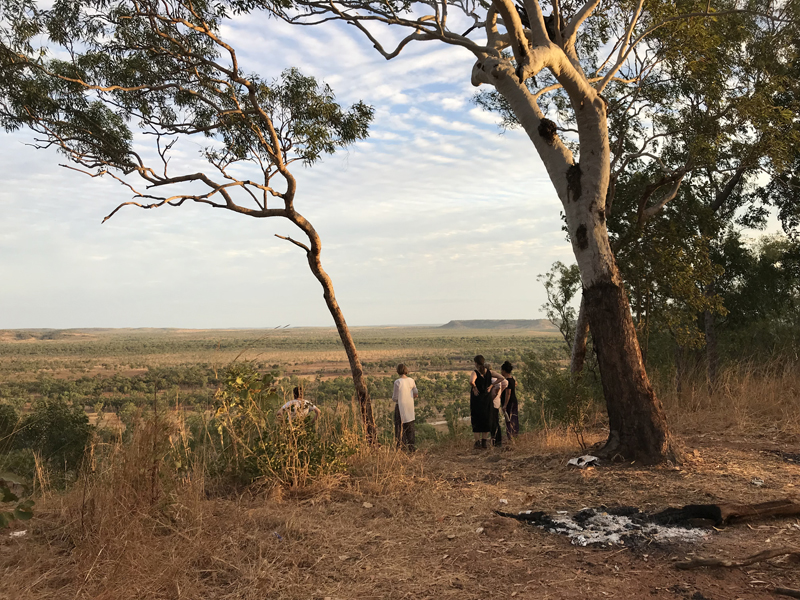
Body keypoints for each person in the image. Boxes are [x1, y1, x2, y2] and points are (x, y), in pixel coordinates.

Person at [469, 355, 504, 449]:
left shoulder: (475, 372)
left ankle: (477, 442)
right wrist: (492, 385)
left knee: (476, 419)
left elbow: (471, 381)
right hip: (487, 399)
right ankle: (484, 442)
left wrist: (475, 387)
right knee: (486, 418)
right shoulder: (489, 372)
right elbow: (501, 378)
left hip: (477, 399)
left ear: (476, 363)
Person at [392, 364, 418, 452]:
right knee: (410, 428)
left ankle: (401, 449)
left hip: (400, 407)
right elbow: (416, 393)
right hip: (410, 407)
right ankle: (411, 448)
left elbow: (395, 398)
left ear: (398, 371)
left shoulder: (397, 382)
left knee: (399, 429)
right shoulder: (411, 380)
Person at [500, 361, 519, 439]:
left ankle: (511, 435)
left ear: (504, 371)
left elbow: (508, 393)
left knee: (509, 419)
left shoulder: (507, 381)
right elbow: (515, 384)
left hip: (509, 403)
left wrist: (505, 405)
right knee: (514, 418)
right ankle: (514, 435)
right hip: (514, 401)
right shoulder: (512, 379)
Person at [489, 375, 509, 447]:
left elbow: (498, 385)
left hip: (493, 403)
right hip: (497, 402)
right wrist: (501, 392)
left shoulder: (493, 379)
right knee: (495, 421)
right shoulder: (496, 379)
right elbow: (505, 382)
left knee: (494, 422)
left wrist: (496, 394)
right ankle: (497, 441)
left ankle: (496, 441)